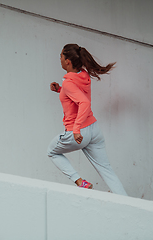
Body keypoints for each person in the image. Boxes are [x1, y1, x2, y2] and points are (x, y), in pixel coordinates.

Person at [47, 44, 127, 195]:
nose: (60, 59)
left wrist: (76, 129)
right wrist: (59, 89)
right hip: (94, 129)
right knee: (106, 170)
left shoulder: (68, 82)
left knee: (51, 152)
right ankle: (128, 202)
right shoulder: (83, 75)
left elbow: (84, 102)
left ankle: (79, 182)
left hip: (78, 133)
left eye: (61, 56)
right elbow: (75, 94)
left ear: (68, 61)